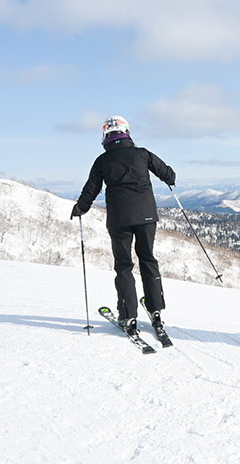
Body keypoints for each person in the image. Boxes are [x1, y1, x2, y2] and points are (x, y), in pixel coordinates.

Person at [71, 115, 176, 338]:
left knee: (124, 265)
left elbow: (91, 189)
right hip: (146, 216)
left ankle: (128, 315)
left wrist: (80, 208)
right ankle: (156, 310)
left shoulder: (102, 161)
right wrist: (169, 179)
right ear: (126, 132)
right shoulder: (143, 154)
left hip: (119, 219)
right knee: (148, 259)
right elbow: (168, 174)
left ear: (105, 136)